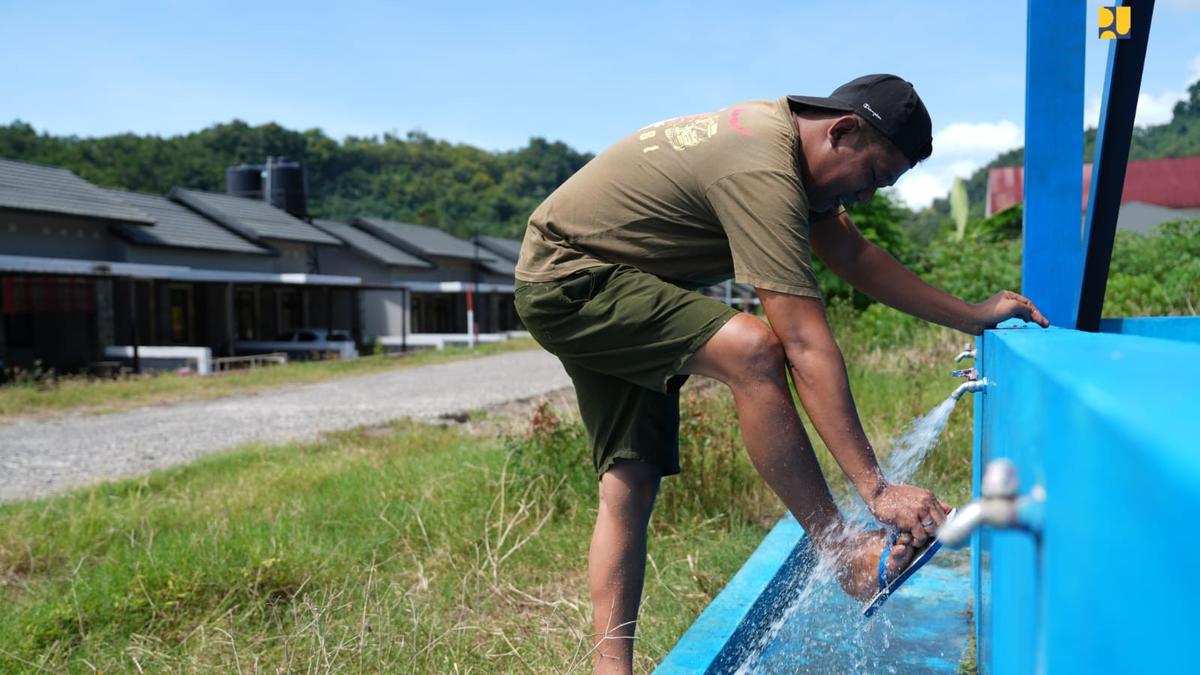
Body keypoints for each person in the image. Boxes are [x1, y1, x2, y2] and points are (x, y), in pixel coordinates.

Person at [513, 74, 1049, 674]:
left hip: (610, 278)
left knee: (630, 481)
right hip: (573, 280)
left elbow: (857, 258)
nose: (867, 197)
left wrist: (973, 317)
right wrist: (876, 489)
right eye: (874, 175)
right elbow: (802, 341)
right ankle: (840, 550)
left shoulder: (794, 158)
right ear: (842, 131)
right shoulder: (762, 168)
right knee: (754, 349)